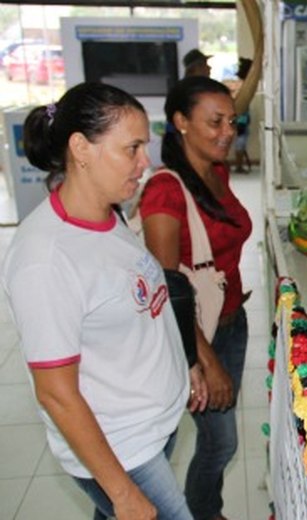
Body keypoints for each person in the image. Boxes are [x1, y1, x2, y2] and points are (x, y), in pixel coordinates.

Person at [1, 82, 197, 519]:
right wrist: (122, 493)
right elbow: (56, 394)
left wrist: (186, 365)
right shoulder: (45, 260)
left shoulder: (109, 215)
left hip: (149, 425)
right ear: (81, 149)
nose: (146, 163)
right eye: (132, 149)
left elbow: (137, 305)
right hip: (121, 448)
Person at [138, 76, 253, 520]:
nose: (228, 131)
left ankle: (206, 510)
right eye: (215, 122)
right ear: (181, 122)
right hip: (191, 338)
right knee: (211, 442)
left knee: (216, 441)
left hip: (231, 322)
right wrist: (206, 361)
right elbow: (165, 288)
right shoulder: (165, 192)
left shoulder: (215, 171)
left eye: (232, 121)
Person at [233, 57, 253, 173]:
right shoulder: (242, 85)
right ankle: (238, 166)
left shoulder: (240, 84)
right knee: (241, 141)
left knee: (241, 141)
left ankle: (239, 165)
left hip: (242, 117)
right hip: (241, 117)